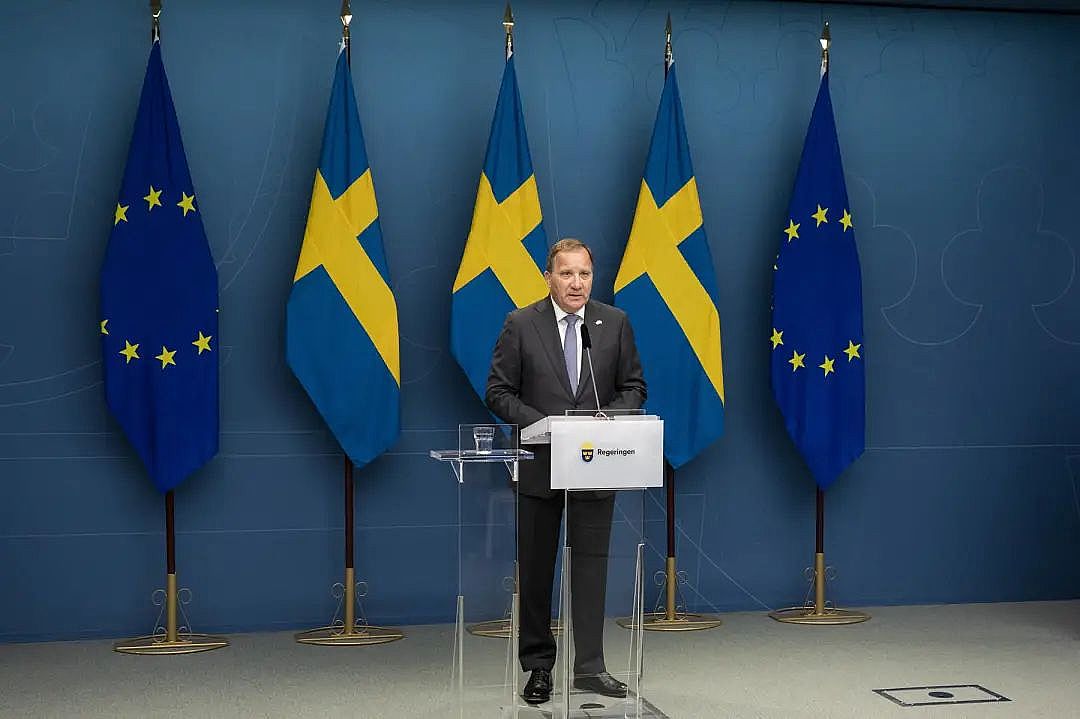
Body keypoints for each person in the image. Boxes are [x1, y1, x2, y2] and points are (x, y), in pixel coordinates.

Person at [486, 238, 647, 705]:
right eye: (567, 274)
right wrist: (546, 425)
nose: (577, 283)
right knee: (537, 573)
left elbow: (634, 387)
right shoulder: (521, 324)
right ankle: (538, 667)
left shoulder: (614, 323)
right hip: (539, 467)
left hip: (595, 466)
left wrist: (605, 419)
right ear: (549, 277)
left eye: (584, 274)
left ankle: (590, 667)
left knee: (591, 570)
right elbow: (498, 392)